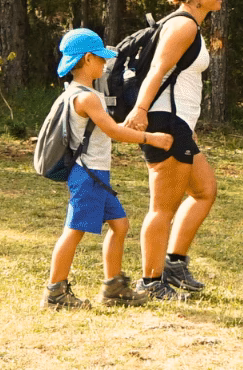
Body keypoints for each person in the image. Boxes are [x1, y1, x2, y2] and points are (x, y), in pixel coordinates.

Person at [43, 29, 175, 308]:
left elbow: (107, 128)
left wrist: (125, 126)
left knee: (120, 225)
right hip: (88, 175)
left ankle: (113, 288)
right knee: (74, 231)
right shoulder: (87, 97)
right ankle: (55, 293)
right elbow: (113, 132)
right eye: (101, 58)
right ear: (87, 59)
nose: (105, 64)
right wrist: (151, 138)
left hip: (96, 175)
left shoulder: (79, 93)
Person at [121, 0, 224, 301]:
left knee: (205, 189)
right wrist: (140, 111)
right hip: (165, 123)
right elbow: (158, 70)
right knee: (162, 208)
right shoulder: (183, 26)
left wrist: (188, 128)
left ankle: (174, 263)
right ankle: (150, 283)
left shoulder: (188, 24)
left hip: (178, 124)